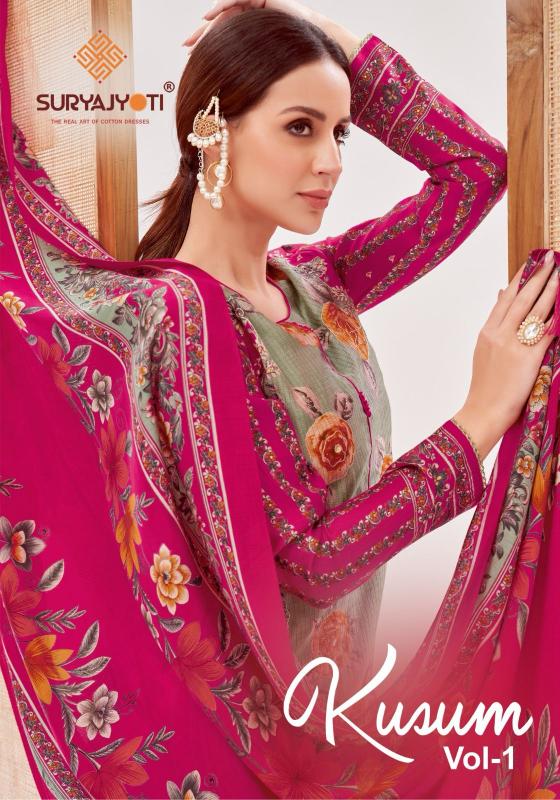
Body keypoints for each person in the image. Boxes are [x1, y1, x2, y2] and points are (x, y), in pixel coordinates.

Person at [1, 2, 559, 798]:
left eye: (341, 133)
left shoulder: (319, 284)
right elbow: (313, 561)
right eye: (300, 127)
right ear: (212, 130)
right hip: (261, 753)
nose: (330, 162)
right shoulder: (176, 322)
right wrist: (477, 421)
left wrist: (323, 33)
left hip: (340, 718)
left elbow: (476, 172)